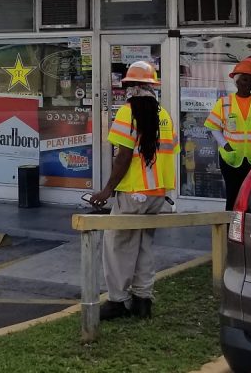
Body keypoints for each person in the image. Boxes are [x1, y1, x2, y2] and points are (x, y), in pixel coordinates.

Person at [89, 60, 177, 320]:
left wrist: (107, 190)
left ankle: (118, 301)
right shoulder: (164, 115)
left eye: (128, 85)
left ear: (134, 88)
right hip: (157, 194)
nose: (126, 90)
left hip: (134, 192)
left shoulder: (128, 113)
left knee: (117, 245)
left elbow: (123, 156)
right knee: (143, 245)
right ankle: (143, 300)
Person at [204, 59, 251, 210]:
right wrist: (226, 145)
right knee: (232, 195)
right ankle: (229, 229)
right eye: (244, 80)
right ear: (236, 81)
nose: (248, 84)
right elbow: (213, 127)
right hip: (230, 158)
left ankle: (246, 227)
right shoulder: (224, 102)